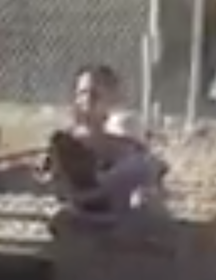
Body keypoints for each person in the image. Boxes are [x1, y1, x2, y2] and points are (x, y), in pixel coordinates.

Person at [48, 63, 166, 218]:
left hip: (123, 201)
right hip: (91, 203)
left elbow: (139, 164)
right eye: (82, 93)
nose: (87, 100)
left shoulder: (123, 125)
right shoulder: (67, 142)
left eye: (94, 94)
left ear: (112, 98)